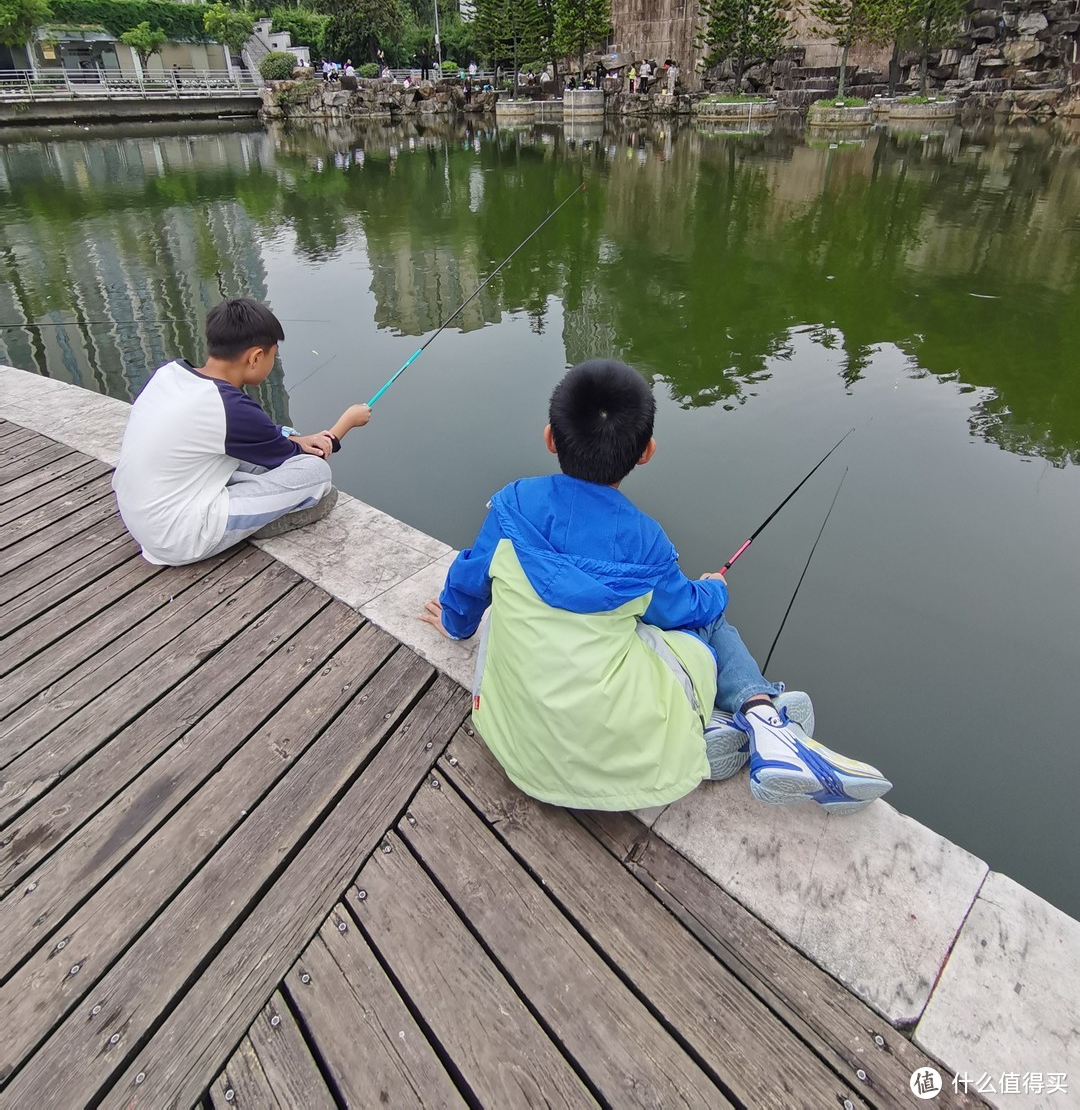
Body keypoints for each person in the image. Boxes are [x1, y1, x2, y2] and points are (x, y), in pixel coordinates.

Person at [421, 360, 891, 816]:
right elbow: (683, 610)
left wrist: (453, 624)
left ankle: (735, 729)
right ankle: (765, 718)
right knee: (708, 620)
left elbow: (467, 582)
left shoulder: (511, 505)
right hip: (606, 765)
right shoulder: (645, 542)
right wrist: (715, 588)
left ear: (549, 438)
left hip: (514, 745)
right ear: (647, 451)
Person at [112, 298, 371, 567]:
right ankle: (256, 524)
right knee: (315, 476)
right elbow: (307, 459)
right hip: (177, 536)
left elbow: (265, 436)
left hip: (140, 514)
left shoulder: (170, 374)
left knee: (277, 441)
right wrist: (346, 423)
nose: (273, 361)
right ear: (256, 357)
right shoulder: (228, 407)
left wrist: (290, 438)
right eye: (273, 355)